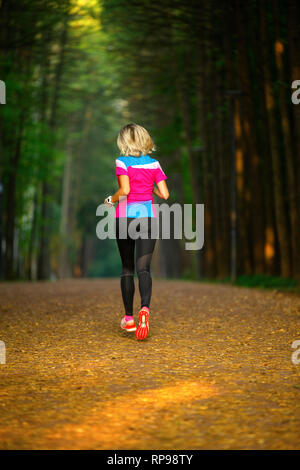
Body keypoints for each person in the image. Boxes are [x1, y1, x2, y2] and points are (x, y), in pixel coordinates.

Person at [104, 123, 169, 340]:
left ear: (124, 141)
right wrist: (149, 187)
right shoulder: (154, 164)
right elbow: (165, 194)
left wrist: (109, 200)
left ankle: (129, 318)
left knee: (127, 268)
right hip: (148, 218)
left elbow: (125, 191)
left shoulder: (121, 161)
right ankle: (145, 309)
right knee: (144, 269)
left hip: (125, 217)